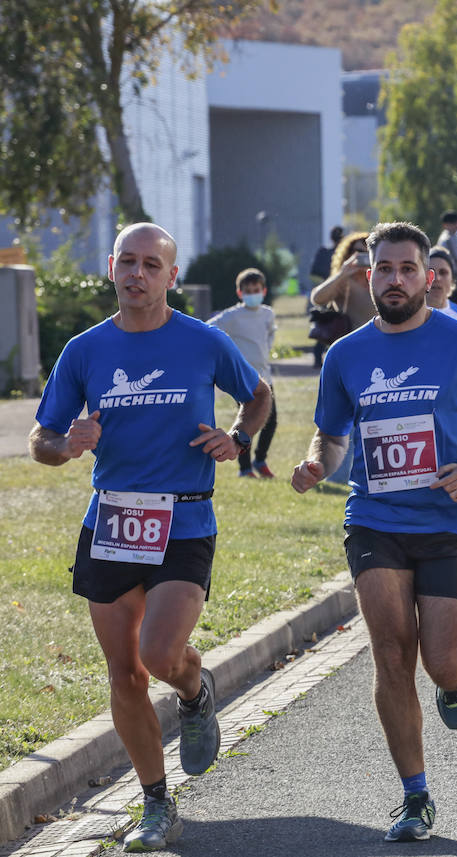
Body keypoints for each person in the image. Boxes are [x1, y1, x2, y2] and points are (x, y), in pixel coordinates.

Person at [30, 223, 272, 852]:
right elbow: (42, 439)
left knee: (161, 655)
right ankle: (156, 802)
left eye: (151, 265)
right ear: (111, 268)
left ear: (170, 275)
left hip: (185, 518)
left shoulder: (203, 341)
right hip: (111, 520)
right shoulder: (83, 351)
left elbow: (259, 394)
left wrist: (239, 438)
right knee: (125, 675)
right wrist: (66, 444)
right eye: (127, 263)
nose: (137, 274)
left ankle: (195, 690)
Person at [290, 221, 457, 842]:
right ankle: (415, 796)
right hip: (375, 519)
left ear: (428, 276)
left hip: (449, 522)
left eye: (406, 269)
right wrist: (318, 462)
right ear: (367, 275)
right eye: (383, 269)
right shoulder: (345, 355)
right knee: (392, 653)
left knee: (443, 663)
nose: (394, 280)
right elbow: (332, 432)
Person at [209, 268, 278, 478]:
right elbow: (209, 330)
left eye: (256, 290)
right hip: (244, 379)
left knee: (270, 421)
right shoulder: (232, 316)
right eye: (247, 291)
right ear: (240, 293)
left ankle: (260, 460)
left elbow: (269, 337)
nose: (252, 294)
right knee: (246, 422)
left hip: (265, 376)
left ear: (263, 290)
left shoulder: (267, 313)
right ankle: (244, 468)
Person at [310, 231, 373, 367]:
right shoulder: (344, 282)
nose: (364, 255)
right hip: (350, 349)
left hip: (377, 346)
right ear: (347, 254)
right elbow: (317, 298)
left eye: (370, 251)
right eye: (358, 251)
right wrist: (342, 273)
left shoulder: (380, 281)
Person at [426, 247, 457, 326]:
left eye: (443, 272)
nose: (437, 278)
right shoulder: (409, 315)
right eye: (431, 273)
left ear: (452, 279)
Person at [436, 211, 457, 296]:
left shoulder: (455, 236)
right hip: (452, 275)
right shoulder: (446, 240)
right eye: (454, 223)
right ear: (445, 225)